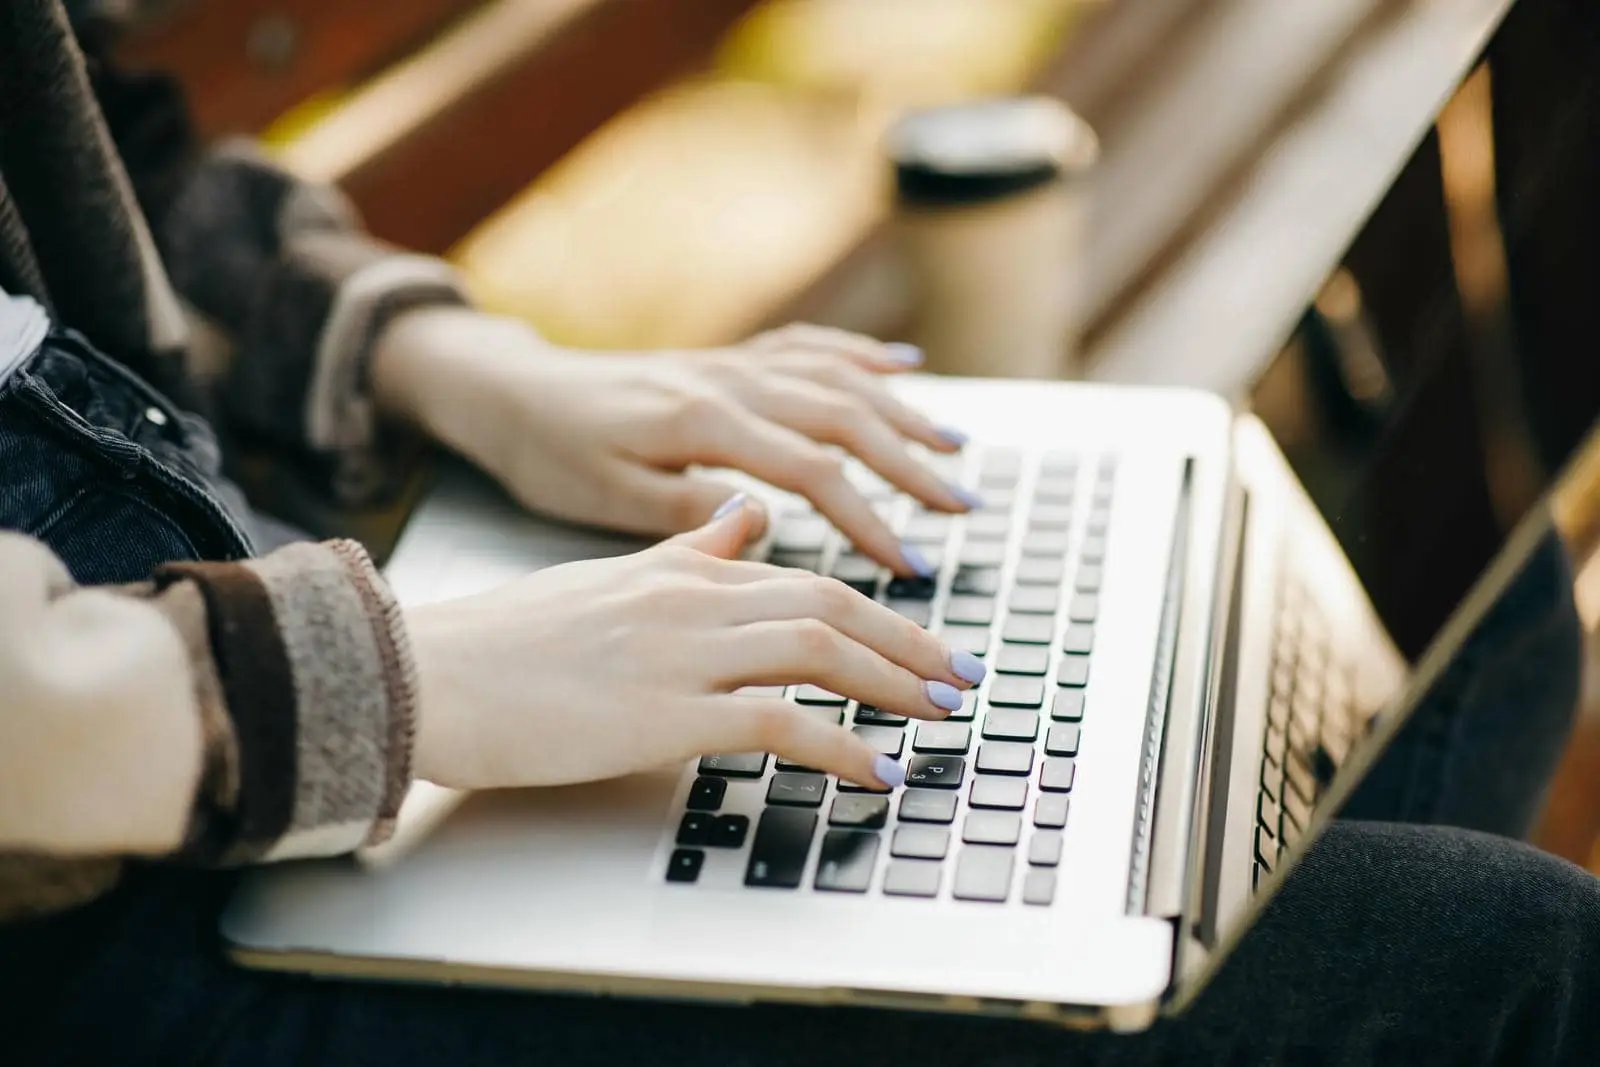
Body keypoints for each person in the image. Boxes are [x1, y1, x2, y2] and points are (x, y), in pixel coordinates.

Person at [0, 1, 1597, 1065]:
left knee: (1486, 615)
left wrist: (476, 370)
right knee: (1504, 957)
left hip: (235, 605)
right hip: (105, 923)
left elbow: (118, 159)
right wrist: (404, 675)